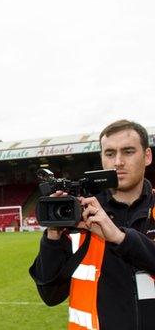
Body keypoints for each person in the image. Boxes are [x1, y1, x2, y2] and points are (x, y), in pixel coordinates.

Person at [30, 119, 155, 330]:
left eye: (128, 151)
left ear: (147, 156)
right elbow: (50, 295)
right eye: (109, 153)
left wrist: (119, 237)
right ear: (102, 159)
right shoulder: (81, 215)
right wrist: (53, 235)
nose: (118, 162)